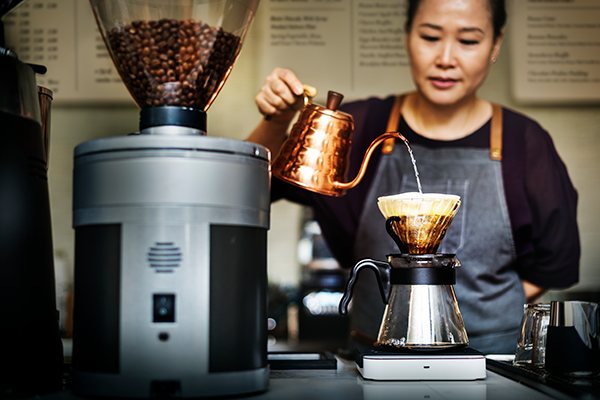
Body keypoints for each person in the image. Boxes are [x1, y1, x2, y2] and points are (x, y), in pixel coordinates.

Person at [247, 0, 580, 354]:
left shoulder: (525, 142)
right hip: (374, 363)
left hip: (492, 366)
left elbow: (551, 266)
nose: (446, 58)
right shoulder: (358, 127)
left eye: (468, 41)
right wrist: (276, 121)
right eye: (430, 36)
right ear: (407, 36)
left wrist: (479, 318)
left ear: (495, 45)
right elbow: (249, 190)